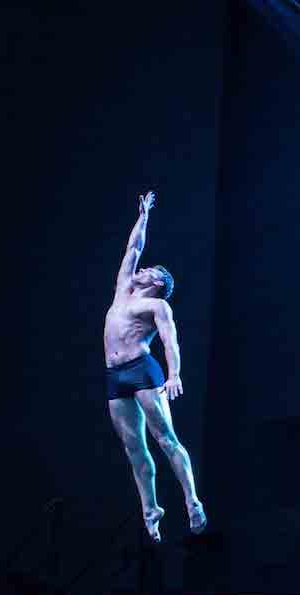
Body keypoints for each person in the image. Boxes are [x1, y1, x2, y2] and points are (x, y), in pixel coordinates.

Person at [103, 191, 205, 543]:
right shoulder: (123, 291)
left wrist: (175, 373)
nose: (142, 270)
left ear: (159, 283)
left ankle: (191, 500)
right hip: (115, 377)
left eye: (150, 271)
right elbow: (133, 249)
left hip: (143, 371)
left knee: (166, 438)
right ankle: (151, 510)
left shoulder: (158, 307)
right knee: (134, 448)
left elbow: (170, 341)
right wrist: (144, 216)